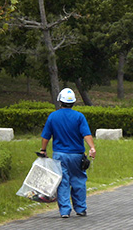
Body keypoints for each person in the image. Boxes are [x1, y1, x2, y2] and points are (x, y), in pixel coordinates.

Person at [39, 88, 96, 218]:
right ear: (73, 102)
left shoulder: (53, 116)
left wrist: (43, 150)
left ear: (60, 101)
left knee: (63, 182)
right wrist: (92, 148)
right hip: (77, 155)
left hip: (59, 155)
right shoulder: (79, 117)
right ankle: (81, 209)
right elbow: (86, 134)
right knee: (79, 181)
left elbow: (46, 136)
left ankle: (65, 211)